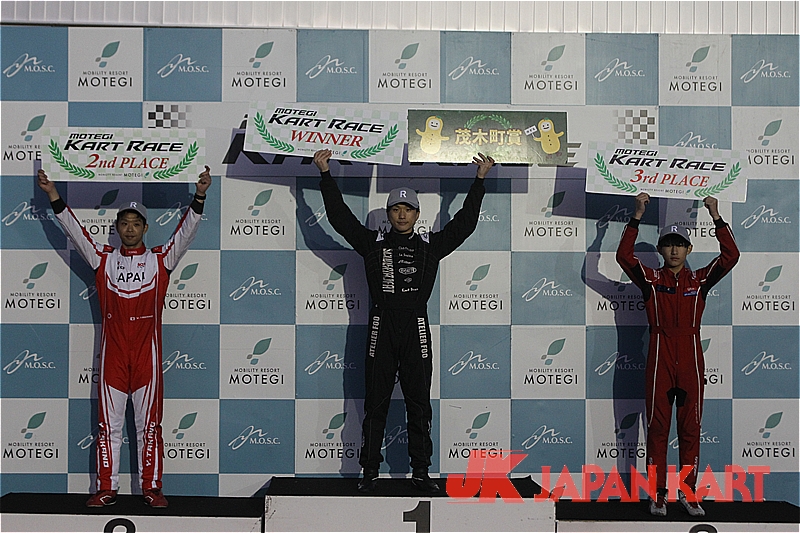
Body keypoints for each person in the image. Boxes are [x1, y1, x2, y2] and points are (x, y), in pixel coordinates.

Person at [313, 149, 494, 493]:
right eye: (395, 209)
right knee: (375, 404)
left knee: (419, 404)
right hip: (380, 327)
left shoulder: (430, 245)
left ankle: (421, 472)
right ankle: (369, 472)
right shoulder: (371, 243)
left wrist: (479, 181)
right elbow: (339, 218)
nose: (401, 214)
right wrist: (325, 174)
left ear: (416, 214)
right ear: (388, 214)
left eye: (407, 209)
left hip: (416, 329)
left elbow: (464, 224)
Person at [37, 166, 212, 508]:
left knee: (150, 427)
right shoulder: (103, 258)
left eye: (136, 223)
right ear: (117, 228)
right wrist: (53, 195)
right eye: (124, 223)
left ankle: (152, 488)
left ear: (145, 228)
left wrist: (200, 195)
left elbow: (186, 232)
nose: (130, 228)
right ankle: (106, 488)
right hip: (113, 358)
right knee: (108, 428)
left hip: (147, 357)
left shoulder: (161, 258)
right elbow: (75, 231)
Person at [616, 192, 739, 517]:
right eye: (668, 245)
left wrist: (715, 215)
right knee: (657, 429)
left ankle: (688, 492)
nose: (674, 250)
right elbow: (624, 256)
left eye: (680, 245)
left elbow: (731, 256)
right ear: (660, 250)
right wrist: (637, 215)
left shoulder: (699, 280)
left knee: (690, 429)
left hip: (691, 360)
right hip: (659, 357)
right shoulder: (651, 280)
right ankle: (658, 494)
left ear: (689, 249)